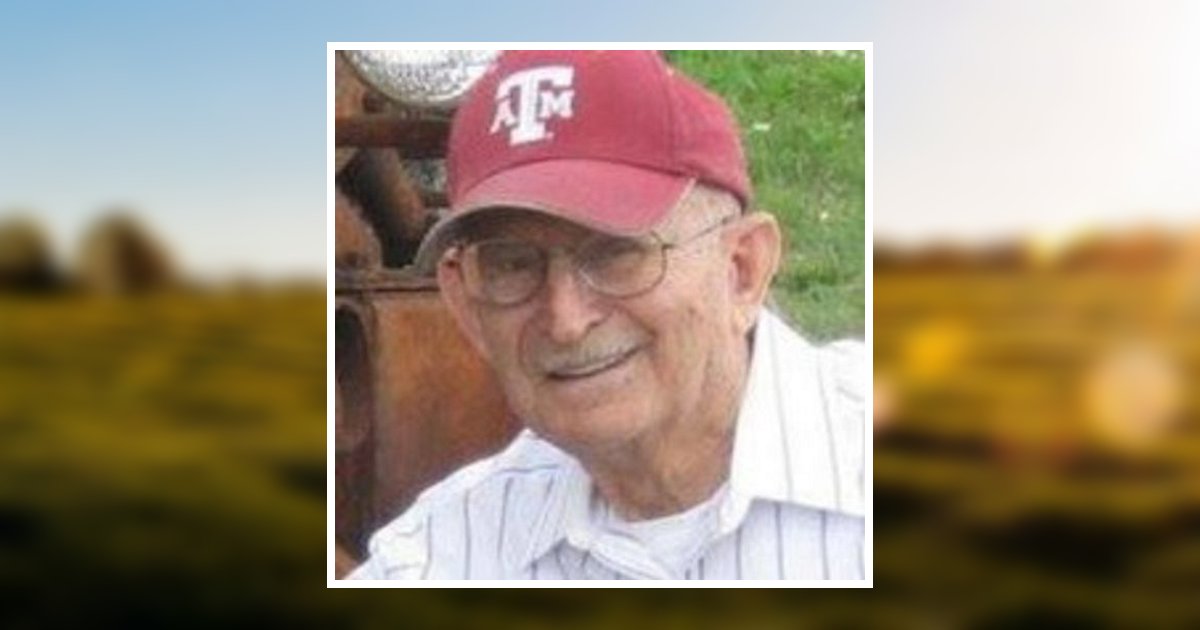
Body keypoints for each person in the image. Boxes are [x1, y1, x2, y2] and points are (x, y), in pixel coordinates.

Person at [347, 50, 864, 580]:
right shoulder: (439, 558)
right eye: (512, 264)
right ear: (466, 308)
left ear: (742, 271)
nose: (566, 321)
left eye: (617, 252)